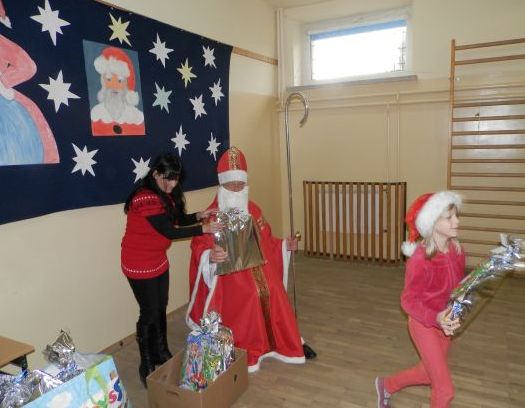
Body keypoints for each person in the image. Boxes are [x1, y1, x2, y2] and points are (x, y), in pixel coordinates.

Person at [186, 146, 316, 372]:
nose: (237, 189)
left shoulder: (253, 209)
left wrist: (285, 245)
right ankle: (248, 347)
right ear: (222, 185)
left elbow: (268, 240)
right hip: (227, 277)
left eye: (240, 184)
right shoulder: (212, 215)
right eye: (231, 184)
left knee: (273, 290)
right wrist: (211, 256)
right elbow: (199, 248)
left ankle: (288, 340)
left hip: (259, 267)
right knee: (252, 295)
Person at [121, 152, 221, 386]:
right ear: (155, 173)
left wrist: (199, 216)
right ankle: (146, 361)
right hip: (138, 262)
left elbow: (175, 220)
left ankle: (161, 350)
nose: (173, 184)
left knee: (161, 306)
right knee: (148, 311)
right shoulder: (144, 198)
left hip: (157, 259)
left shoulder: (165, 194)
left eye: (176, 179)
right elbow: (169, 231)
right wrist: (203, 229)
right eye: (168, 178)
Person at [375, 191, 465, 408]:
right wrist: (436, 317)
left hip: (445, 325)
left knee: (427, 373)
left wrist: (459, 304)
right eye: (449, 217)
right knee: (444, 390)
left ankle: (386, 385)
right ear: (433, 223)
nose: (457, 221)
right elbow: (408, 301)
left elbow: (457, 287)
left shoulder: (457, 251)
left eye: (456, 215)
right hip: (423, 324)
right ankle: (386, 386)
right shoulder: (420, 258)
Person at [91, 46, 145, 136]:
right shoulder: (96, 113)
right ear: (103, 83)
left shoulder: (136, 116)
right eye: (109, 79)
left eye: (119, 81)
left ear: (126, 85)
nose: (114, 87)